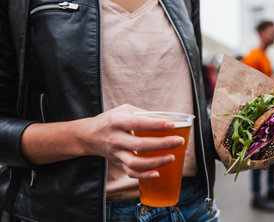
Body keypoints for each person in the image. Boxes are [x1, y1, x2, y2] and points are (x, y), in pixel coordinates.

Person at [0, 0, 220, 221]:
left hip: (193, 207)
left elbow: (191, 107)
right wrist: (84, 136)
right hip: (72, 212)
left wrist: (240, 137)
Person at [242, 20, 274, 213]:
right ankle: (257, 195)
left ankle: (270, 189)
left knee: (272, 153)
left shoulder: (264, 56)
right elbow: (247, 87)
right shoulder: (253, 57)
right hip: (259, 117)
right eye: (273, 31)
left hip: (270, 115)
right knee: (257, 155)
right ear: (262, 32)